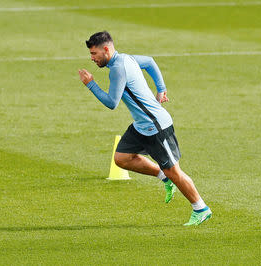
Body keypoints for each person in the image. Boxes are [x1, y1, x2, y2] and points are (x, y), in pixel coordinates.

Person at [78, 31, 211, 226]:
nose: (92, 58)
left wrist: (91, 84)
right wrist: (161, 87)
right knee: (122, 158)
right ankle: (162, 175)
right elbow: (149, 61)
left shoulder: (118, 69)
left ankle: (201, 208)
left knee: (175, 171)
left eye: (94, 53)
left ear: (106, 49)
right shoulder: (126, 58)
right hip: (142, 126)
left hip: (155, 126)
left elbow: (112, 103)